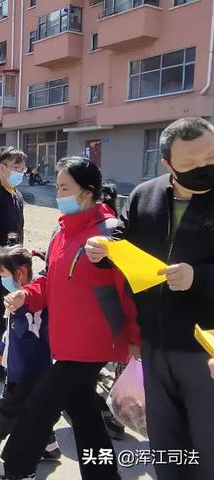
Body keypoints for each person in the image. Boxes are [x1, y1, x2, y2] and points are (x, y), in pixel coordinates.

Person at [0, 156, 140, 480]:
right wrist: (26, 295)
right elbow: (49, 280)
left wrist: (135, 339)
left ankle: (17, 468)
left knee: (41, 403)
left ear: (87, 192)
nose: (58, 194)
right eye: (57, 187)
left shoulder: (109, 233)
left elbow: (129, 290)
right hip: (65, 340)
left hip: (94, 343)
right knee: (84, 412)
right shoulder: (62, 231)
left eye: (64, 188)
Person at [86, 117, 214, 480]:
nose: (204, 168)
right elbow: (122, 241)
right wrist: (102, 250)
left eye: (211, 158)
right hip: (155, 344)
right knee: (166, 442)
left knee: (208, 444)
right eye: (190, 163)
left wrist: (199, 278)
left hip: (206, 350)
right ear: (168, 164)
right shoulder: (146, 195)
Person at [0, 246, 61, 461]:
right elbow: (10, 331)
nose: (2, 280)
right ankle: (50, 446)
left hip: (26, 370)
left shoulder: (33, 302)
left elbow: (27, 331)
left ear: (19, 273)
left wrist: (19, 309)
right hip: (25, 367)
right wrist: (1, 349)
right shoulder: (18, 298)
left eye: (3, 275)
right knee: (37, 411)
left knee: (7, 409)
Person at [0, 147, 27, 382]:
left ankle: (6, 357)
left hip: (14, 266)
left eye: (22, 168)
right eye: (15, 167)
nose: (20, 172)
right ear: (2, 168)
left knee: (10, 312)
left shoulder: (17, 196)